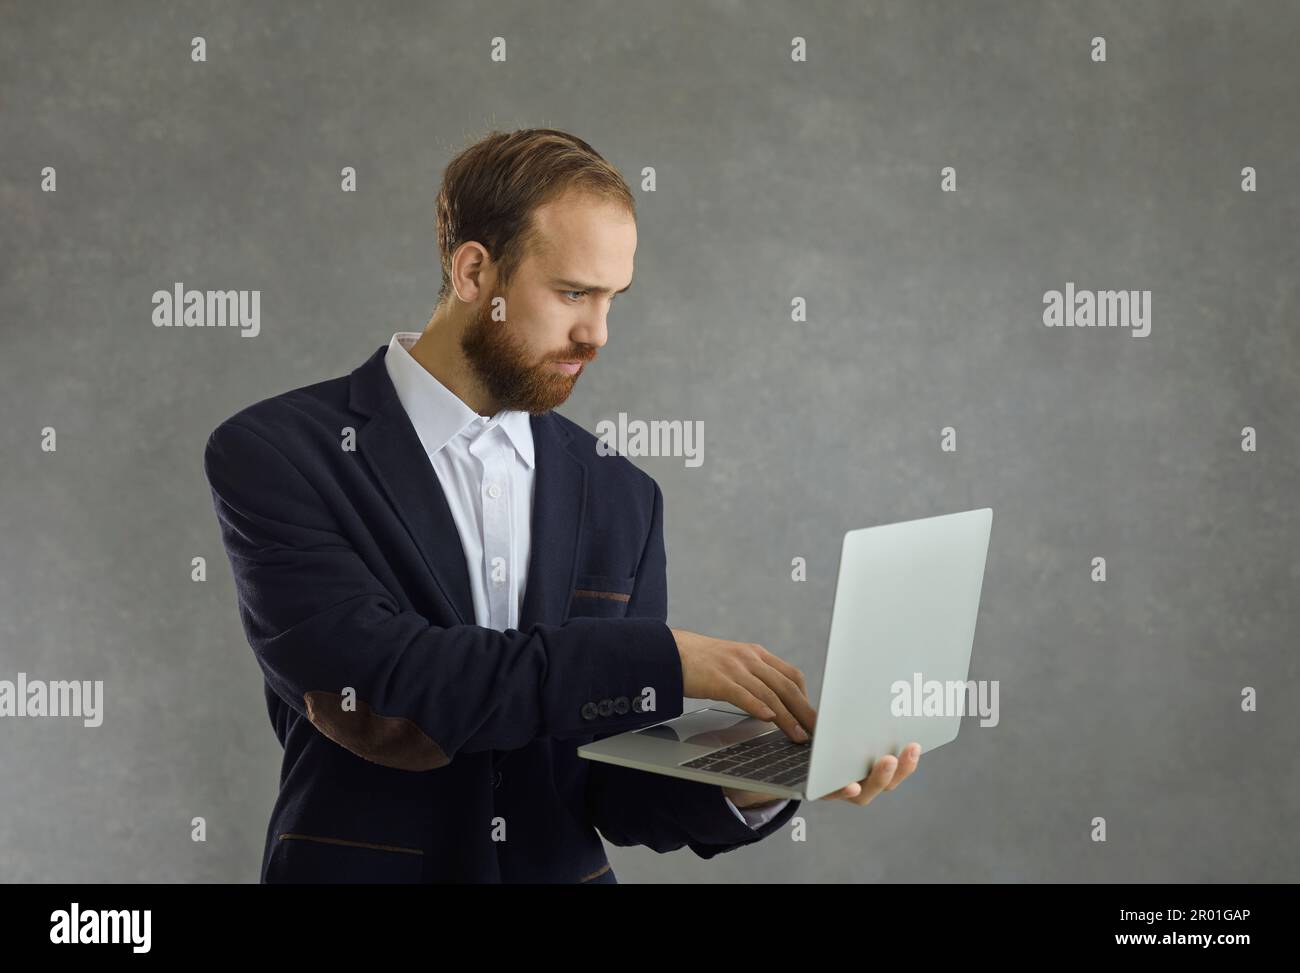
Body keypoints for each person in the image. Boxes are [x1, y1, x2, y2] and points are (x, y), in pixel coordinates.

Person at [203, 127, 920, 883]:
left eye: (614, 299)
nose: (598, 333)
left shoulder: (621, 494)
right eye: (574, 292)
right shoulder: (276, 452)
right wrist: (665, 658)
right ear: (475, 271)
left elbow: (611, 783)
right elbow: (383, 690)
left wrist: (757, 776)